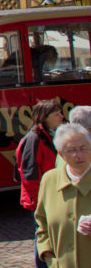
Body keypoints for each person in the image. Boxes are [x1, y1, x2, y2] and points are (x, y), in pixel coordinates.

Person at [35, 122, 91, 267]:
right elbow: (41, 222)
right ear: (60, 154)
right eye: (71, 150)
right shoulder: (49, 180)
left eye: (83, 148)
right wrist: (47, 253)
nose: (78, 155)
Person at [17, 98, 64, 268]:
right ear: (45, 117)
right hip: (40, 198)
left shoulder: (52, 135)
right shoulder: (35, 138)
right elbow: (29, 175)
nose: (61, 116)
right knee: (43, 235)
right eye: (56, 113)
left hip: (52, 194)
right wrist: (42, 199)